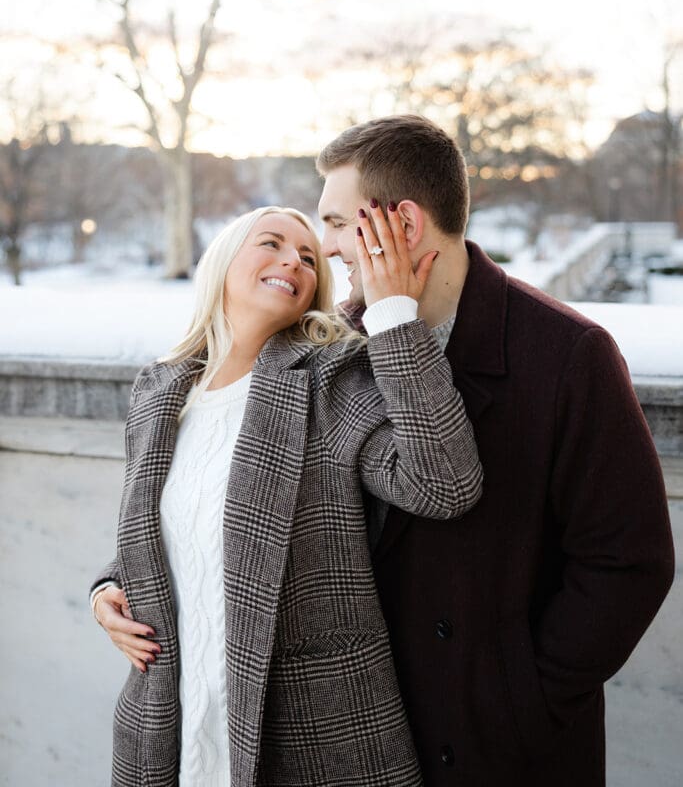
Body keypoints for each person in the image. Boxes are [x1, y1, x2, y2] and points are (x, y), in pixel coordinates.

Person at [316, 114, 675, 787]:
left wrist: (520, 696)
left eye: (339, 223)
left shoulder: (565, 354)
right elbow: (255, 479)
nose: (328, 245)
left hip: (506, 750)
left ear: (402, 226)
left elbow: (629, 560)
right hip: (369, 738)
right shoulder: (337, 352)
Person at [90, 203, 483, 787]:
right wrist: (107, 589)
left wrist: (394, 316)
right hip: (170, 730)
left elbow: (446, 483)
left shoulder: (332, 380)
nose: (293, 262)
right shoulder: (160, 390)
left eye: (306, 257)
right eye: (270, 243)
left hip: (315, 739)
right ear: (222, 263)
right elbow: (172, 528)